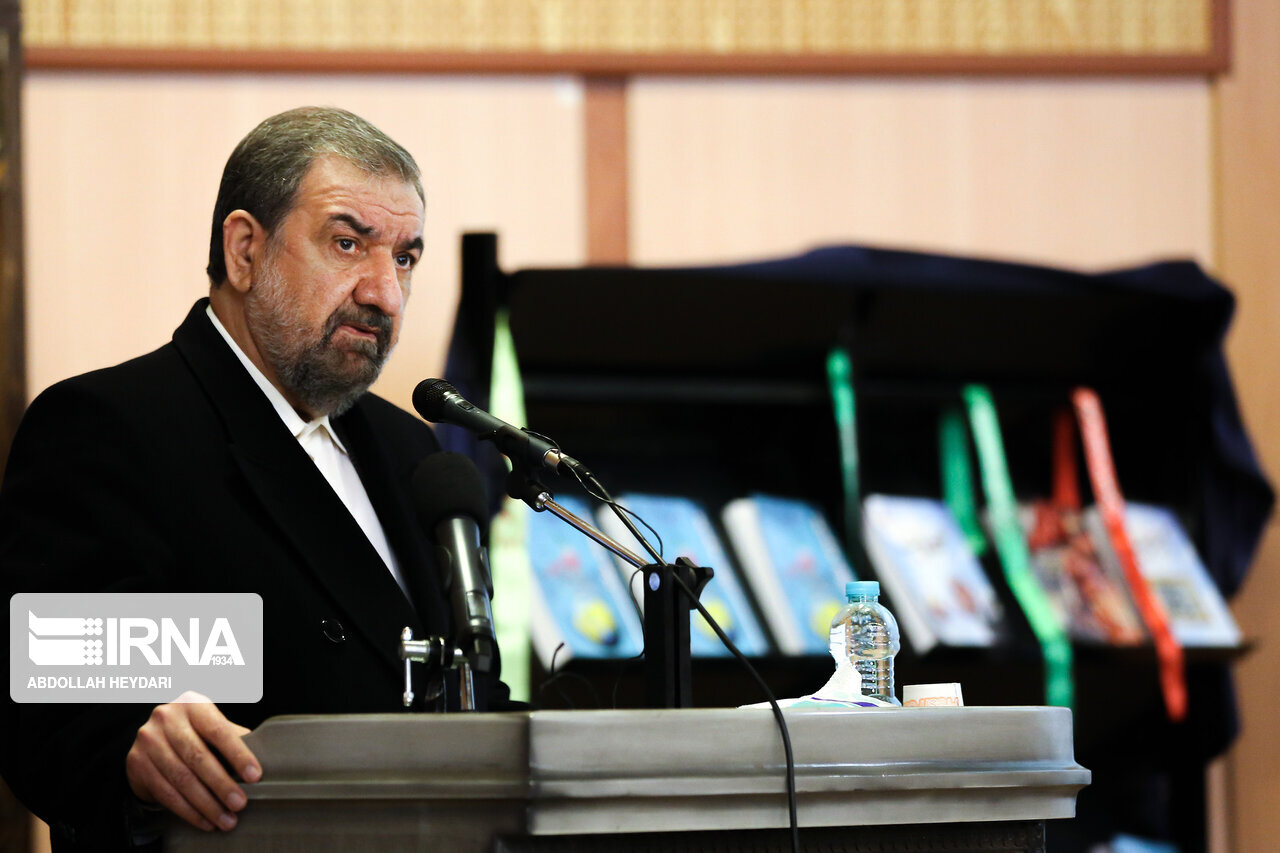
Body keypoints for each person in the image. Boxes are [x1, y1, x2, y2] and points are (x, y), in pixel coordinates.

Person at [0, 106, 512, 850]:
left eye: (404, 258)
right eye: (347, 243)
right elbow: (49, 711)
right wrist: (134, 744)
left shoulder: (409, 448)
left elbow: (462, 697)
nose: (385, 293)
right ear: (244, 249)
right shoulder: (114, 427)